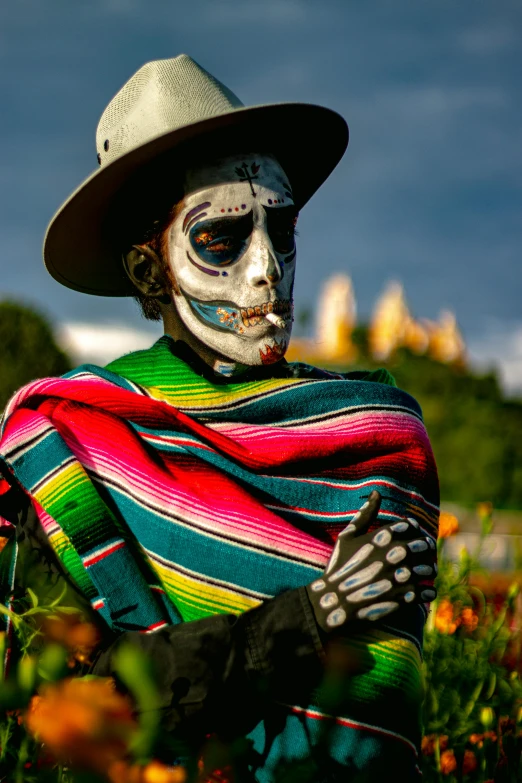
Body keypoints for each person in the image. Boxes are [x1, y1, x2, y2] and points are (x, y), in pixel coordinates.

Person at [0, 55, 439, 782]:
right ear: (151, 272)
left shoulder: (380, 441)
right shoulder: (71, 444)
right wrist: (317, 611)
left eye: (282, 229)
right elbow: (68, 698)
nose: (267, 267)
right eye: (222, 238)